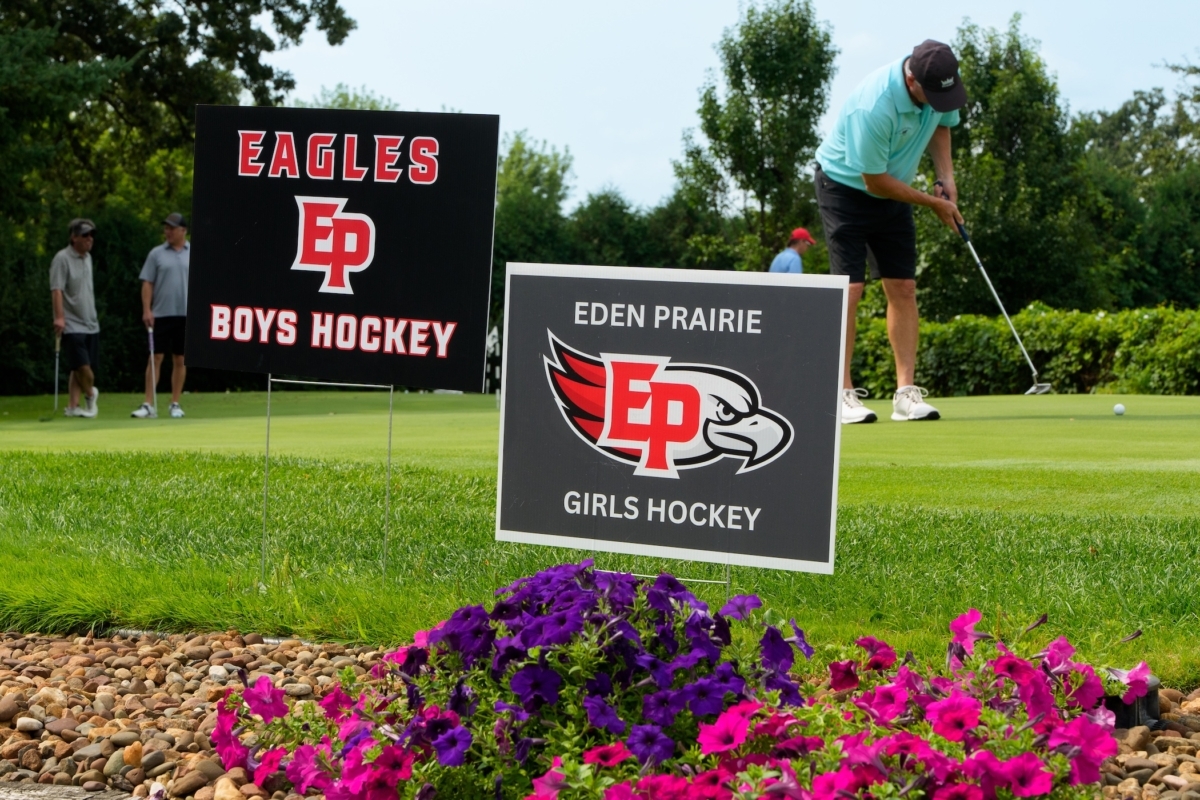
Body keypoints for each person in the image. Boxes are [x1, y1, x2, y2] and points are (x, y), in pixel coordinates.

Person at [814, 39, 967, 424]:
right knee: (850, 290)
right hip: (846, 187)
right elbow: (874, 182)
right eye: (930, 95)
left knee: (903, 287)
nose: (937, 102)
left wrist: (946, 178)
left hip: (893, 187)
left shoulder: (939, 89)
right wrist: (932, 202)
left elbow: (942, 126)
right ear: (911, 78)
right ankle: (841, 393)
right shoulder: (875, 104)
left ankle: (905, 395)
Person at [132, 213, 190, 419]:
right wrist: (147, 310)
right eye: (166, 228)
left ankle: (175, 403)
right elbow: (147, 283)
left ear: (183, 231)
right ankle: (148, 403)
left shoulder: (193, 252)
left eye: (172, 228)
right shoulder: (156, 254)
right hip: (161, 313)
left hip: (186, 314)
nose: (168, 232)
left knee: (180, 359)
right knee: (155, 357)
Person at [50, 219, 101, 418]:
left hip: (91, 322)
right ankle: (91, 394)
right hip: (71, 323)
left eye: (91, 235)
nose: (90, 239)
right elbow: (57, 290)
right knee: (83, 367)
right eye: (85, 235)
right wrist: (59, 318)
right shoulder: (62, 258)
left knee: (76, 367)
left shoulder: (87, 258)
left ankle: (73, 406)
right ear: (73, 237)